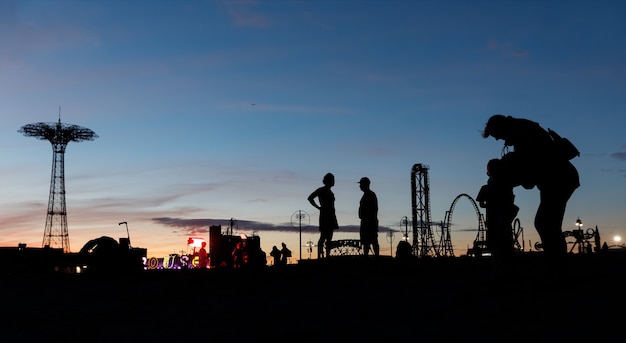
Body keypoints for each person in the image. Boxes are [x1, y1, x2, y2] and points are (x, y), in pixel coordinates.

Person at [482, 114, 580, 262]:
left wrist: (513, 171)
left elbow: (534, 163)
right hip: (556, 179)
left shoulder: (521, 134)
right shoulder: (522, 132)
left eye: (496, 135)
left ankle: (557, 266)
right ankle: (556, 264)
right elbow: (531, 168)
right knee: (547, 223)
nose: (497, 139)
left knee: (545, 223)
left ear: (501, 127)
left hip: (559, 179)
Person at [476, 158, 519, 264]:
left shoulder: (492, 186)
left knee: (500, 243)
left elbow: (482, 203)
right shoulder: (504, 183)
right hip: (498, 218)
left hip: (497, 219)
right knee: (502, 243)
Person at [308, 172, 339, 258]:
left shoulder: (329, 191)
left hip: (331, 214)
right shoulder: (321, 190)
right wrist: (318, 207)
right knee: (323, 236)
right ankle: (320, 255)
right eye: (332, 180)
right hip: (325, 215)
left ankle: (327, 255)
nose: (334, 181)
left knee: (329, 237)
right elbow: (310, 198)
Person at [358, 177, 379, 257]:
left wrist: (367, 218)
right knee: (366, 242)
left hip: (369, 222)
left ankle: (376, 256)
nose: (360, 186)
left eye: (361, 184)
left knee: (372, 241)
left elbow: (374, 209)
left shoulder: (370, 195)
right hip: (366, 221)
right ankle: (367, 256)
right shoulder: (367, 195)